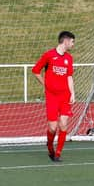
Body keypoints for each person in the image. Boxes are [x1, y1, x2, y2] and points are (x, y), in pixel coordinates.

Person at [32, 31, 75, 162]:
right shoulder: (49, 55)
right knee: (52, 127)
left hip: (65, 96)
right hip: (52, 97)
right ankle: (50, 146)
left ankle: (58, 153)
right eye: (72, 41)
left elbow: (69, 77)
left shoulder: (69, 58)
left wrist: (72, 92)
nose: (73, 44)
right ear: (66, 41)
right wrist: (46, 84)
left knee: (63, 125)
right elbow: (35, 71)